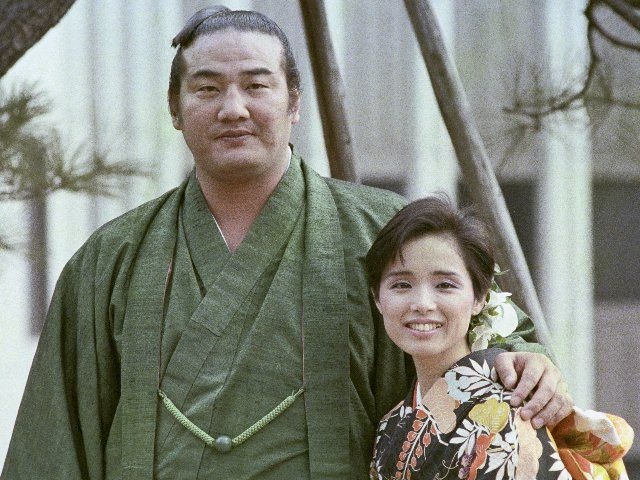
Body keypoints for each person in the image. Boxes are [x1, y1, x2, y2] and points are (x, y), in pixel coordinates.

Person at [3, 7, 571, 479]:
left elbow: (493, 343)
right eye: (207, 88)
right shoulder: (110, 261)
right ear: (175, 108)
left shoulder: (387, 235)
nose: (233, 108)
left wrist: (531, 366)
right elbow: (51, 445)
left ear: (294, 103)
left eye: (257, 86)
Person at [366, 196, 633, 479]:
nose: (422, 303)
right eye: (401, 285)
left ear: (480, 297)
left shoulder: (504, 408)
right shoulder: (392, 423)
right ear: (377, 298)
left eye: (445, 285)